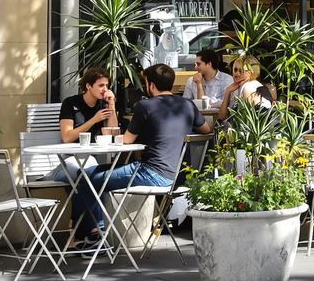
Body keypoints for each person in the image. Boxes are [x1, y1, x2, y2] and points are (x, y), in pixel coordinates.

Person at [71, 64, 211, 248]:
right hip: (177, 178)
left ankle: (96, 234)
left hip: (150, 173)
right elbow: (207, 130)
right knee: (96, 176)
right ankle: (95, 233)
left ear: (150, 84)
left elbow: (127, 140)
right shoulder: (187, 105)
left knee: (85, 177)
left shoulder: (145, 106)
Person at [218, 56, 274, 120]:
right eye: (235, 70)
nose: (237, 74)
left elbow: (247, 121)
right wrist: (227, 92)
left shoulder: (248, 87)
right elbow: (221, 118)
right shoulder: (240, 86)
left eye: (241, 71)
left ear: (251, 72)